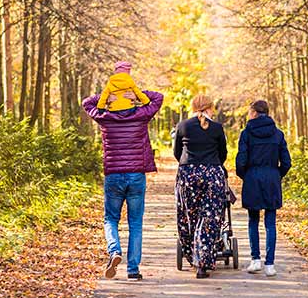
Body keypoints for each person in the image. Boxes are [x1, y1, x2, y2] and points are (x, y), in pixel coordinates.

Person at [83, 85, 164, 281]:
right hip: (136, 175)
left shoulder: (105, 118)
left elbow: (87, 102)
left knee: (111, 219)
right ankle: (133, 270)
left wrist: (107, 97)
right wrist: (137, 93)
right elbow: (158, 98)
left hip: (114, 175)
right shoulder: (141, 115)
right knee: (135, 222)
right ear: (130, 100)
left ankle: (114, 251)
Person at [173, 94, 228, 279]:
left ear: (193, 107)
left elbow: (177, 152)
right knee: (209, 218)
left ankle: (192, 254)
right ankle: (203, 262)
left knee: (190, 217)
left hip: (188, 174)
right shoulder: (217, 128)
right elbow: (223, 154)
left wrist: (190, 165)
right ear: (209, 108)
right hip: (212, 174)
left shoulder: (183, 126)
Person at [235, 100, 291, 277]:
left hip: (252, 178)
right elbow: (287, 162)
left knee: (253, 220)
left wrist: (246, 175)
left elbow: (241, 161)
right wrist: (276, 174)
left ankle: (255, 260)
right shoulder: (278, 134)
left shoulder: (246, 134)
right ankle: (270, 264)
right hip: (272, 179)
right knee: (270, 222)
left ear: (253, 113)